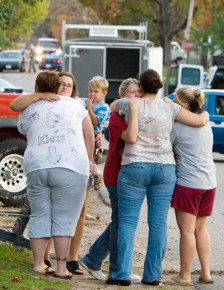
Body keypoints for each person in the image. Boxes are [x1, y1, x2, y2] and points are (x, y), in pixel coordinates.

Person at [107, 69, 209, 286]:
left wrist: (129, 103)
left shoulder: (129, 104)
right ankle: (152, 275)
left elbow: (111, 106)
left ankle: (121, 274)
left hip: (134, 165)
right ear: (160, 87)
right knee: (158, 223)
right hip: (164, 169)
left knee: (127, 222)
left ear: (141, 88)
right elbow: (199, 122)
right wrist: (206, 114)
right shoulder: (171, 107)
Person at [10, 71, 92, 275]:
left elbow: (22, 126)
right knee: (64, 218)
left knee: (39, 215)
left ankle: (39, 264)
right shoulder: (76, 105)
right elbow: (88, 133)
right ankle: (62, 267)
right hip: (70, 166)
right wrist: (89, 161)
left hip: (36, 165)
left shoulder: (30, 107)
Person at [79, 79, 142, 283]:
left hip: (125, 173)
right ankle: (101, 262)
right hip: (116, 174)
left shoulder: (133, 114)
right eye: (133, 92)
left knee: (120, 221)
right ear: (122, 96)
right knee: (120, 222)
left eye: (139, 92)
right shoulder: (117, 118)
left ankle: (98, 261)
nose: (137, 96)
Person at [166, 87, 217, 286]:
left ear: (185, 106)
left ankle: (184, 276)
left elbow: (165, 146)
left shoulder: (177, 127)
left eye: (175, 100)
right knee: (201, 228)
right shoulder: (206, 123)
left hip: (188, 183)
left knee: (187, 231)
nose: (173, 103)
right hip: (209, 182)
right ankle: (206, 272)